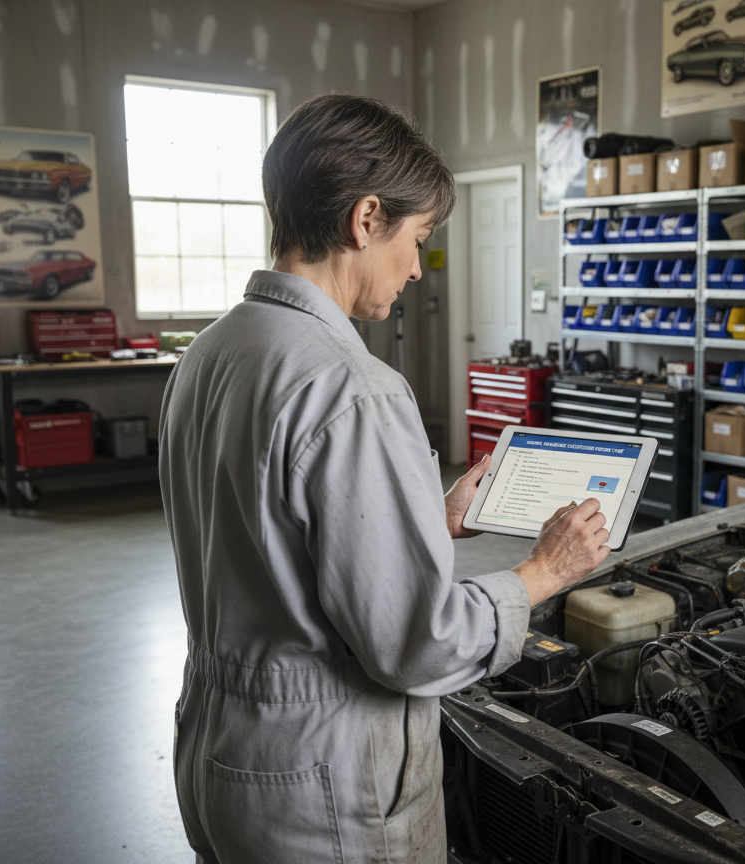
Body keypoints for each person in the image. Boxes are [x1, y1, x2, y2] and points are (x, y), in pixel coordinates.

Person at [158, 94, 609, 864]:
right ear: (366, 219)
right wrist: (542, 572)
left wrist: (425, 521)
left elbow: (271, 545)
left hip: (221, 752)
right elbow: (417, 645)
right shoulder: (353, 386)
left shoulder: (211, 352)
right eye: (420, 237)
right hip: (326, 783)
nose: (416, 267)